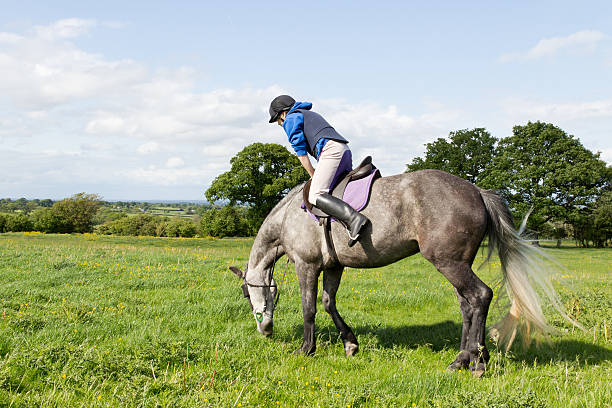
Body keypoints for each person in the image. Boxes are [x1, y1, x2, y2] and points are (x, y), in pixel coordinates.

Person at [268, 95, 369, 247]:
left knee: (315, 195)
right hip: (343, 151)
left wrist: (313, 176)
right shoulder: (307, 114)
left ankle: (354, 219)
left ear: (282, 114)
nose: (280, 125)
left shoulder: (290, 119)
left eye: (278, 121)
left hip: (331, 152)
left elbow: (301, 154)